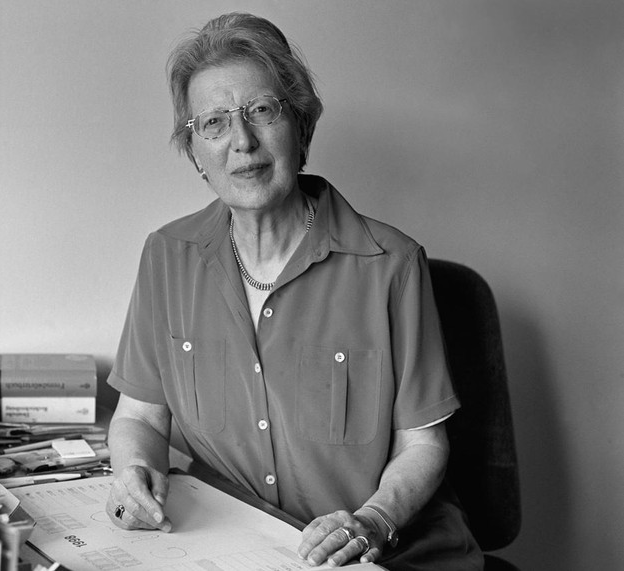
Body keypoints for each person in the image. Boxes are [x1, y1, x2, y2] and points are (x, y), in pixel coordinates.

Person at [105, 12, 483, 570]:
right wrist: (133, 472)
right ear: (195, 152)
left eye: (262, 110)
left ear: (301, 127)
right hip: (230, 546)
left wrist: (372, 522)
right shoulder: (167, 256)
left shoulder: (392, 266)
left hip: (377, 551)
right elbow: (140, 415)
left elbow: (422, 444)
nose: (242, 141)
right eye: (214, 123)